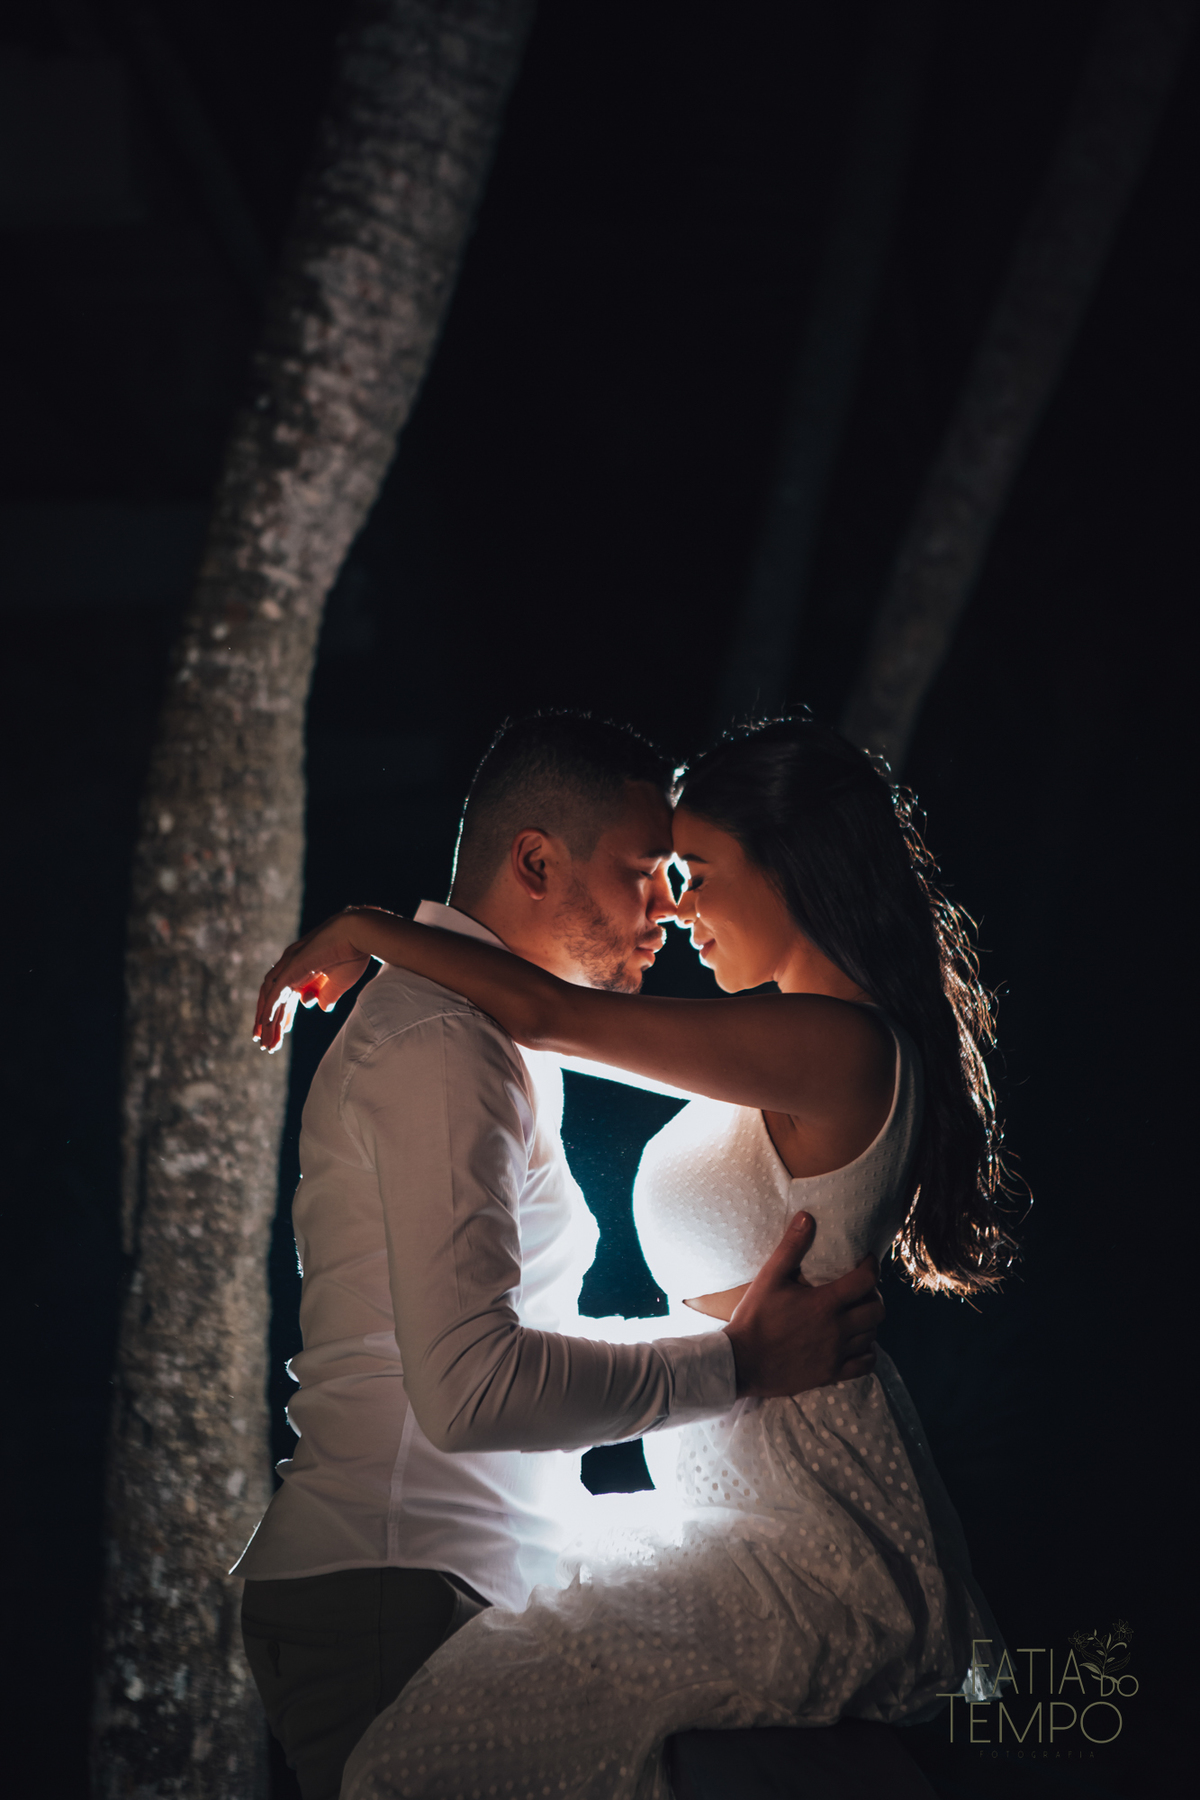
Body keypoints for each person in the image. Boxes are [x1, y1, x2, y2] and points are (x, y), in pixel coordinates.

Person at [256, 715, 1012, 1800]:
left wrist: (372, 926)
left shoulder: (831, 1045)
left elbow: (549, 1014)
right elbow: (544, 1016)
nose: (673, 903)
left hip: (795, 1507)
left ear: (790, 865)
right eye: (659, 871)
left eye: (692, 873)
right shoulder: (478, 1045)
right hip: (557, 1536)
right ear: (535, 861)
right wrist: (735, 1361)